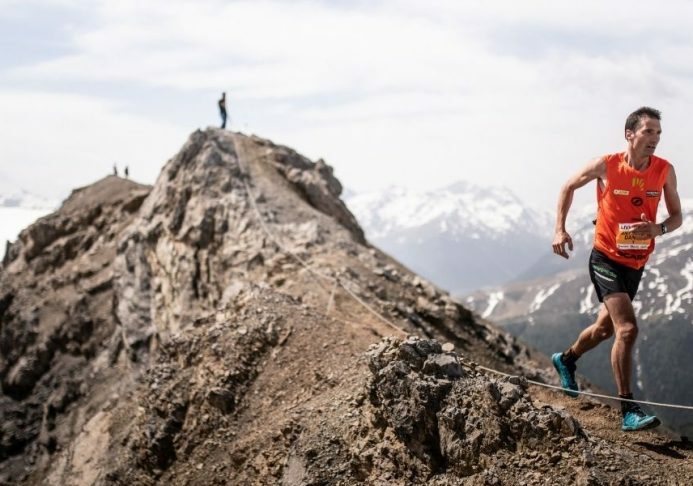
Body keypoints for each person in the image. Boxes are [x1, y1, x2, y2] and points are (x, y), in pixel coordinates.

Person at [551, 107, 682, 432]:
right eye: (648, 131)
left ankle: (566, 359)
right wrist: (560, 229)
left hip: (636, 263)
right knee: (627, 329)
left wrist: (659, 229)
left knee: (603, 330)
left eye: (658, 133)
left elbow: (677, 216)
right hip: (606, 257)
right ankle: (628, 409)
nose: (655, 138)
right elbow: (568, 186)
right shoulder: (606, 165)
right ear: (629, 134)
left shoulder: (665, 170)